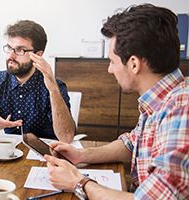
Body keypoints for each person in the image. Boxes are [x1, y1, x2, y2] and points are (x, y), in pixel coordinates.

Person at [44, 4, 189, 200]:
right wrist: (82, 156)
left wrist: (78, 183)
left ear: (134, 64)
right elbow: (131, 144)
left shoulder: (181, 107)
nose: (110, 70)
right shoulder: (161, 99)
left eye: (112, 61)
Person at [0, 20, 75, 143]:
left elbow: (66, 137)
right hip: (10, 152)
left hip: (44, 155)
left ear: (38, 55)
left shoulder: (54, 85)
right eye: (9, 48)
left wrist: (53, 91)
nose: (11, 55)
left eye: (20, 50)